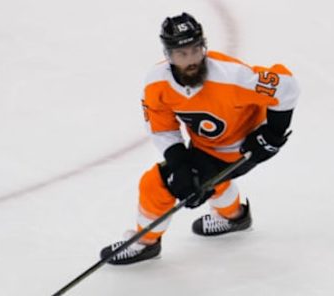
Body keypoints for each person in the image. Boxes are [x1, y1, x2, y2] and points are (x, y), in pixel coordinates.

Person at [100, 12, 299, 265]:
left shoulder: (231, 75)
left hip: (243, 149)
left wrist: (272, 134)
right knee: (193, 176)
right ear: (168, 55)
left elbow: (287, 86)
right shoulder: (156, 84)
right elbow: (163, 129)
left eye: (196, 50)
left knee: (156, 182)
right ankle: (233, 216)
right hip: (205, 147)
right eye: (182, 54)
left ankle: (144, 243)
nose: (191, 59)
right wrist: (180, 165)